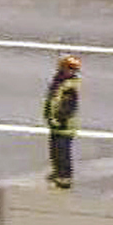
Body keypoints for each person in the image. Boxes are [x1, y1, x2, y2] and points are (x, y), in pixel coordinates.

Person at [43, 54, 81, 189]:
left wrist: (58, 119)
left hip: (63, 125)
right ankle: (57, 172)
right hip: (56, 124)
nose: (69, 70)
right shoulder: (60, 80)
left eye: (72, 68)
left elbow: (67, 108)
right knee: (55, 150)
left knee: (62, 152)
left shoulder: (69, 86)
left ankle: (64, 178)